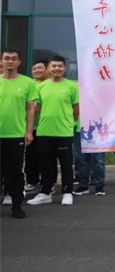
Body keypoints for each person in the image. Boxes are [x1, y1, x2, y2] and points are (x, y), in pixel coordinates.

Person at [27, 55, 79, 206]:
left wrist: (68, 123)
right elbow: (38, 108)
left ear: (64, 68)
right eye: (54, 66)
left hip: (64, 132)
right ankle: (45, 193)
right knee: (46, 164)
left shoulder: (71, 86)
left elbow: (76, 110)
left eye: (60, 66)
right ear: (49, 68)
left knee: (66, 164)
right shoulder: (40, 87)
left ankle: (67, 192)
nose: (57, 68)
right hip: (44, 132)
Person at [0, 48, 37, 218]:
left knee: (16, 171)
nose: (10, 61)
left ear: (19, 62)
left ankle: (17, 205)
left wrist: (29, 131)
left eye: (14, 59)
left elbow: (30, 109)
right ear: (1, 61)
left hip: (16, 135)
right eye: (7, 58)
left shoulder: (27, 82)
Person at [23, 59, 49, 192]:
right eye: (34, 69)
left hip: (46, 128)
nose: (36, 71)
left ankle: (47, 184)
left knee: (45, 158)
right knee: (30, 157)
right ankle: (32, 182)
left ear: (47, 69)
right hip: (31, 127)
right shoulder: (30, 84)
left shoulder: (51, 85)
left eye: (39, 68)